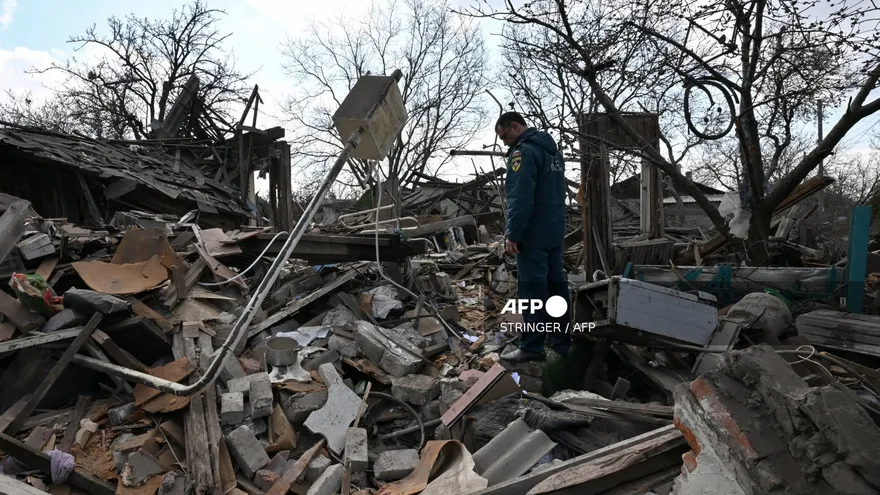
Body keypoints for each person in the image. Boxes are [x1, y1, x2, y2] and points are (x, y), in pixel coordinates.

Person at [495, 112, 571, 362]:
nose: (504, 142)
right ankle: (561, 342)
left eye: (504, 135)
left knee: (533, 291)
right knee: (555, 284)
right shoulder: (552, 152)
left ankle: (532, 346)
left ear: (515, 126)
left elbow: (520, 196)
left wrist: (513, 234)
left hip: (533, 232)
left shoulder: (523, 153)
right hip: (554, 229)